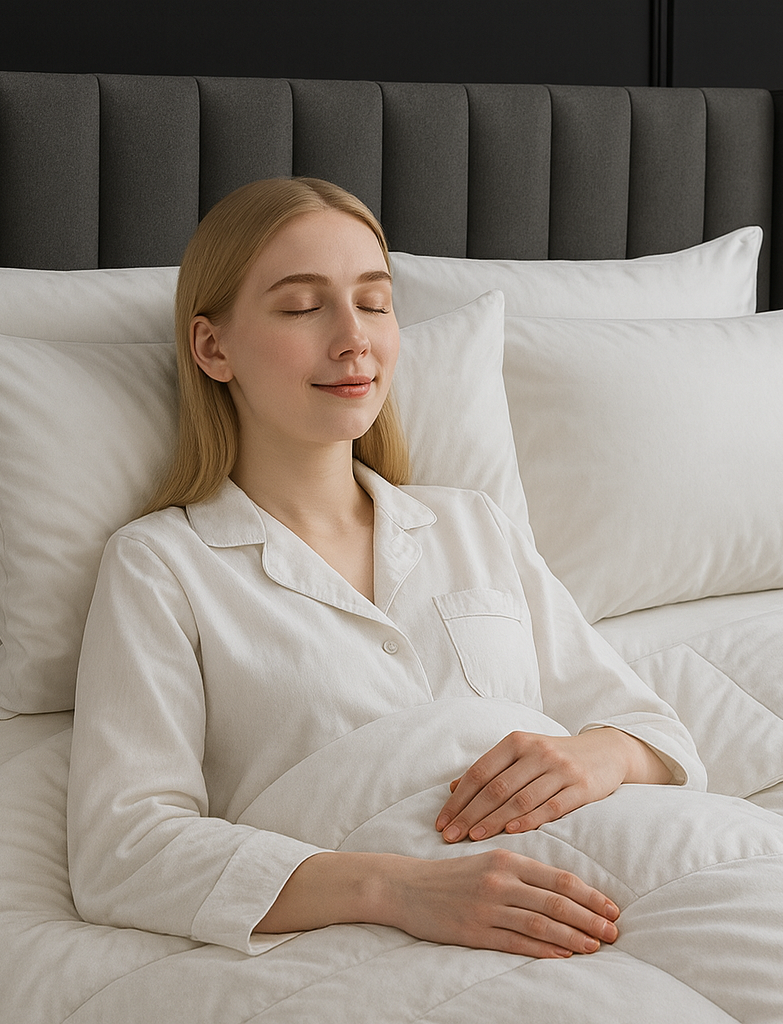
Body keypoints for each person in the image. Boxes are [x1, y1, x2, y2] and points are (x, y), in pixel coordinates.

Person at [66, 177, 705, 961]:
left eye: (373, 302)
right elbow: (123, 850)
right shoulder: (164, 565)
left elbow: (654, 733)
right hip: (406, 942)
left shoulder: (473, 524)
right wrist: (397, 888)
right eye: (303, 307)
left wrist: (594, 754)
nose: (353, 340)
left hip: (622, 876)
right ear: (213, 347)